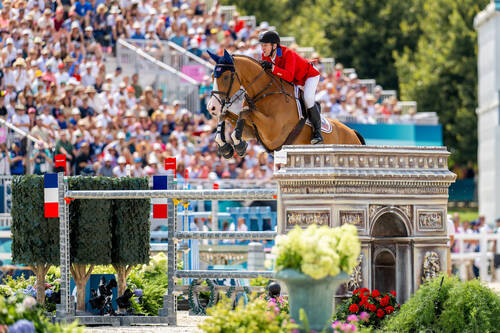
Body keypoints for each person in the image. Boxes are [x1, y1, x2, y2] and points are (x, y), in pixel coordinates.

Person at [258, 30, 323, 144]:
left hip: (309, 76)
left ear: (274, 45)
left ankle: (318, 133)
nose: (263, 48)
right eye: (262, 45)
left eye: (265, 45)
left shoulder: (287, 53)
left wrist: (272, 68)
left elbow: (288, 76)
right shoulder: (266, 55)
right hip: (295, 80)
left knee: (307, 98)